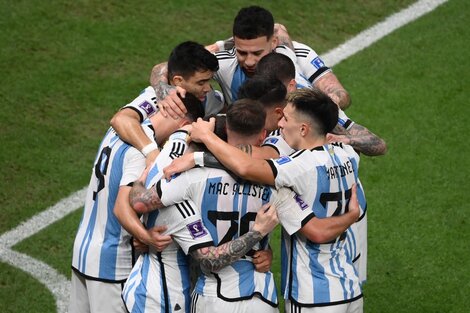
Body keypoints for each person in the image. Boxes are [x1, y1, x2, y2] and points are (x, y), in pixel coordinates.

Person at [130, 99, 361, 313]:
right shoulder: (279, 186)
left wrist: (143, 179)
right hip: (263, 298)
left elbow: (141, 203)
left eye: (286, 119)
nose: (281, 124)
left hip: (213, 298)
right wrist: (264, 247)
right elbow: (313, 228)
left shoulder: (189, 178)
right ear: (263, 136)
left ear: (225, 130)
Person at [68, 91, 205, 313]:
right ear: (185, 124)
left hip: (83, 252)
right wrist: (146, 236)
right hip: (113, 264)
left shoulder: (120, 129)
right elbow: (122, 207)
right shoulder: (144, 152)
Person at [153, 5, 350, 119]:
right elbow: (164, 67)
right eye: (242, 52)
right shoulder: (224, 61)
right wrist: (163, 90)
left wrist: (319, 106)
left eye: (257, 53)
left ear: (273, 42)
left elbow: (341, 94)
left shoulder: (299, 53)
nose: (249, 61)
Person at [109, 41, 223, 168]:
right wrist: (152, 154)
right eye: (201, 83)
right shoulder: (157, 98)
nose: (208, 88)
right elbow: (120, 119)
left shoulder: (212, 99)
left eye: (209, 81)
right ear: (178, 81)